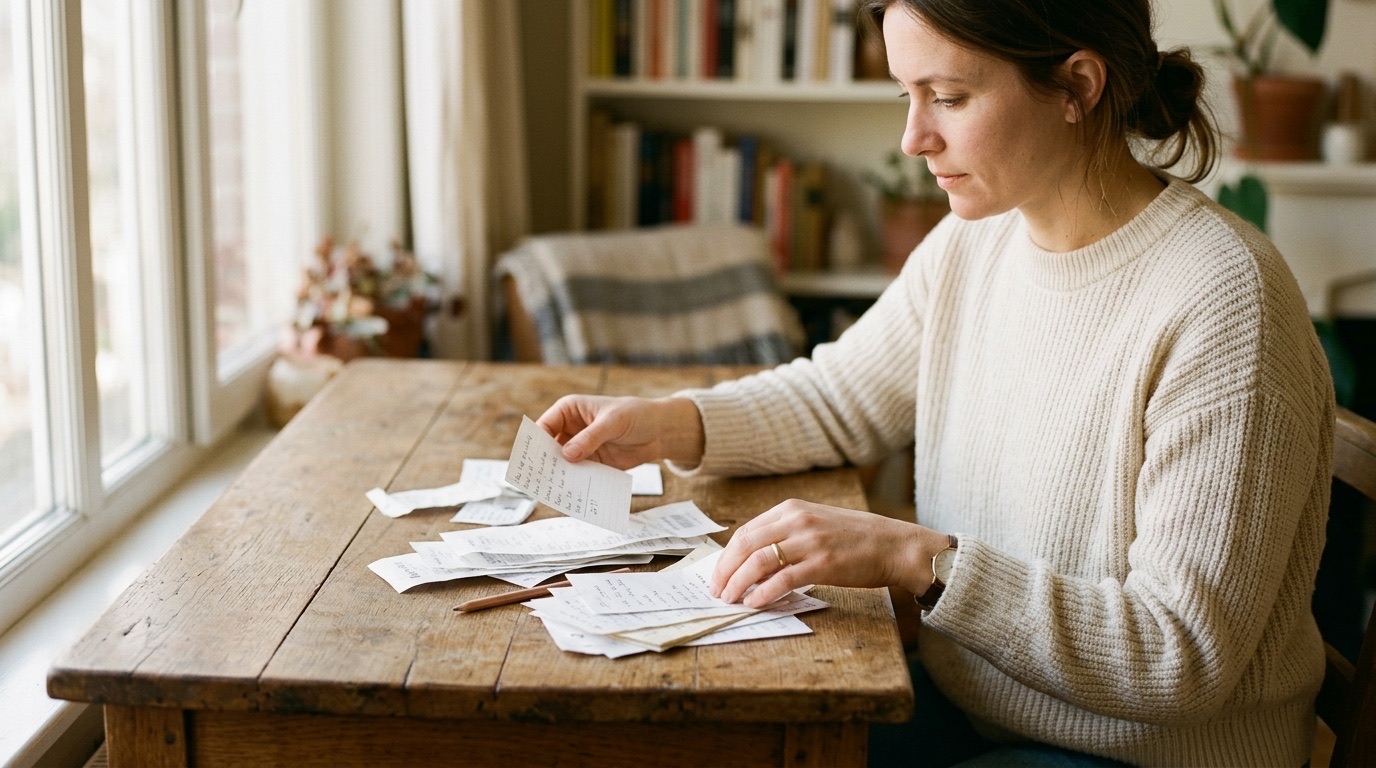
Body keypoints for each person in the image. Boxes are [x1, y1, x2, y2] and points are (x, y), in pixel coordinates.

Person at [536, 0, 1333, 764]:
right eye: (907, 94)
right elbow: (840, 397)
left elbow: (1179, 656)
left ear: (1078, 88)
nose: (915, 136)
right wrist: (673, 424)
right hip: (978, 713)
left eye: (948, 97)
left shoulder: (1224, 301)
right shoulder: (976, 242)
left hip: (1145, 758)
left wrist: (917, 559)